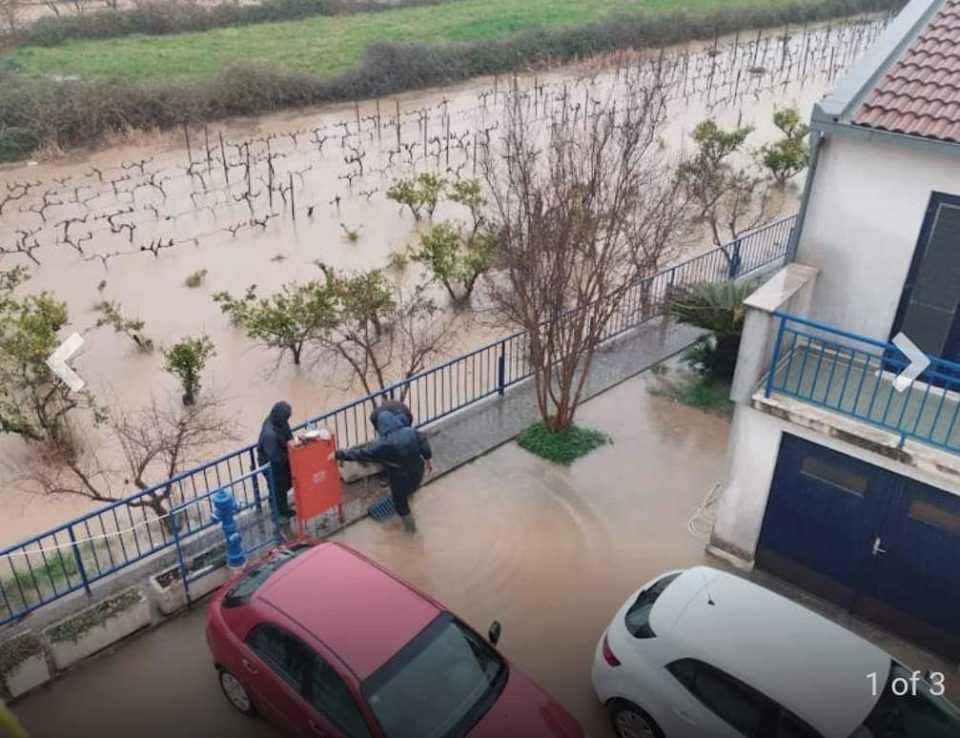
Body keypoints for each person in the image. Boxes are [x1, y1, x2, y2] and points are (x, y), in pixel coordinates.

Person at [336, 410, 433, 533]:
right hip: (418, 471)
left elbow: (361, 454)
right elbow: (424, 444)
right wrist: (428, 460)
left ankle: (411, 531)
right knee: (410, 490)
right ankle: (410, 502)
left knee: (401, 505)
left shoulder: (383, 444)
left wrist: (338, 454)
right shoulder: (411, 432)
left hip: (400, 478)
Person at [256, 401, 295, 522]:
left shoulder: (281, 422)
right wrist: (290, 458)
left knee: (283, 485)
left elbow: (289, 436)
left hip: (281, 458)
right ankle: (276, 515)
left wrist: (294, 446)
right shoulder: (270, 434)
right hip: (270, 464)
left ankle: (284, 508)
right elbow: (275, 456)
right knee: (275, 488)